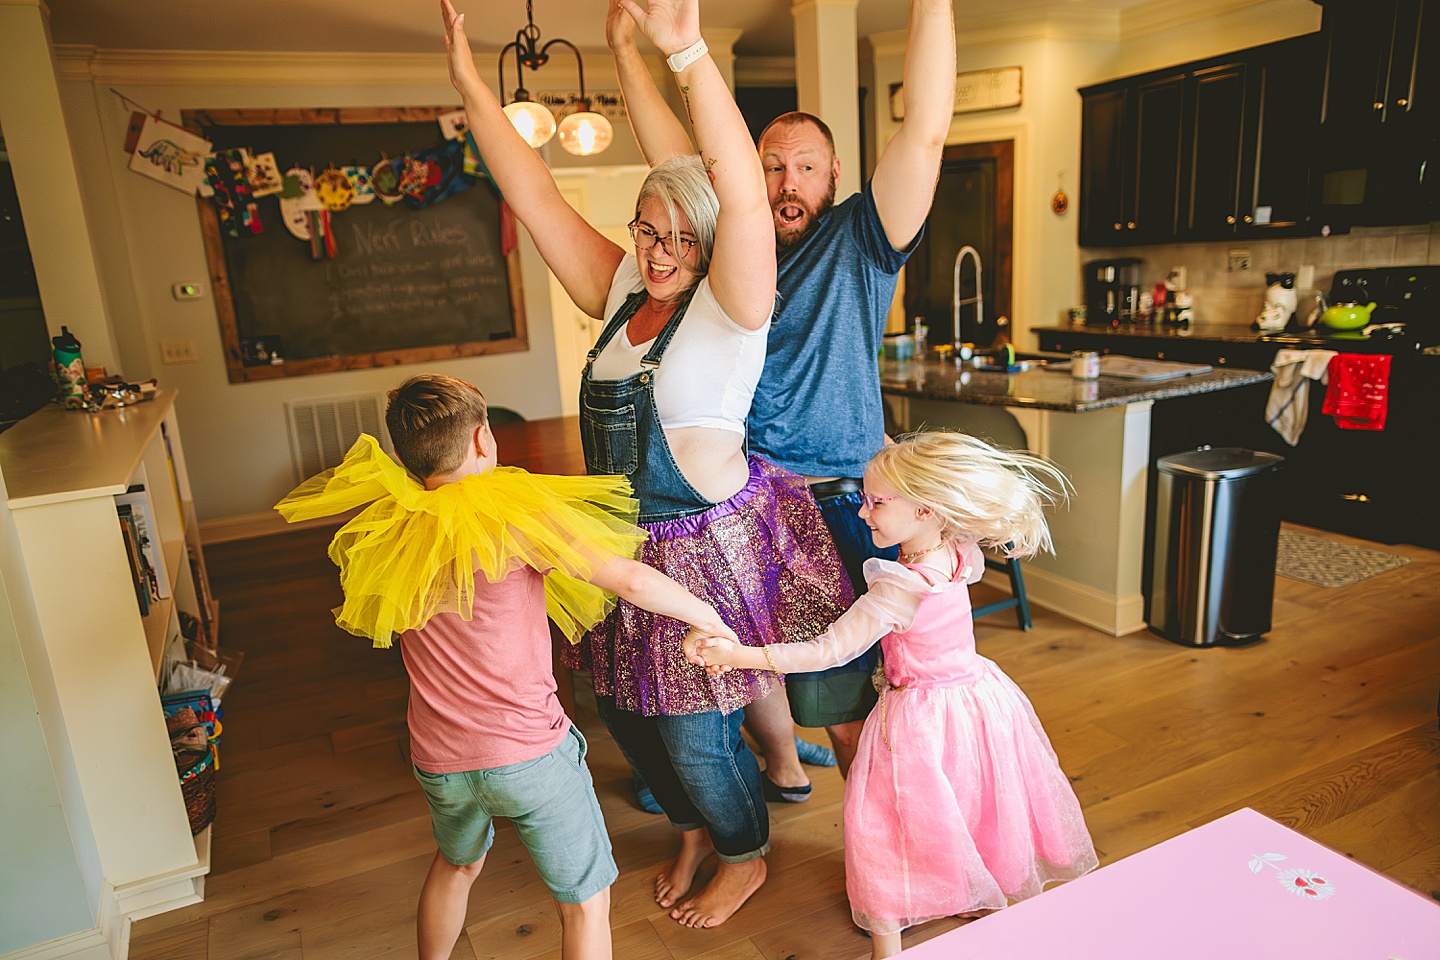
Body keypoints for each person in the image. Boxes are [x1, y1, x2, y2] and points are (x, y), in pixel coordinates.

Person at [443, 0, 852, 929]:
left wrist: (690, 53)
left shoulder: (735, 300)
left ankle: (744, 853)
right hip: (622, 543)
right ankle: (696, 829)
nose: (658, 253)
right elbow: (536, 195)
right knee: (628, 721)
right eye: (645, 231)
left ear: (710, 239)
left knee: (698, 737)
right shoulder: (626, 283)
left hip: (706, 547)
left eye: (678, 237)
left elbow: (743, 189)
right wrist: (471, 88)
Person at [275, 374, 743, 960]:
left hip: (438, 758)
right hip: (529, 756)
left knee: (455, 865)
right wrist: (710, 616)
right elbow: (630, 578)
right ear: (482, 440)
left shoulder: (394, 527)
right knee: (584, 902)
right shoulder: (513, 518)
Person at [608, 0, 959, 777]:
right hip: (741, 502)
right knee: (739, 659)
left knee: (838, 700)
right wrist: (626, 50)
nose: (787, 182)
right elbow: (674, 154)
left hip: (837, 500)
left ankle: (883, 831)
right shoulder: (730, 249)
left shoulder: (863, 238)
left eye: (805, 166)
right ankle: (783, 769)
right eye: (770, 165)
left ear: (835, 175)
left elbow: (926, 132)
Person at [685, 432, 1099, 959]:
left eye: (877, 502)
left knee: (881, 822)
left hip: (922, 715)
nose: (862, 514)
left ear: (926, 510)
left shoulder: (899, 587)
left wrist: (740, 654)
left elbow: (826, 650)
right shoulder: (956, 550)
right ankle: (975, 891)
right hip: (978, 700)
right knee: (971, 798)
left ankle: (887, 944)